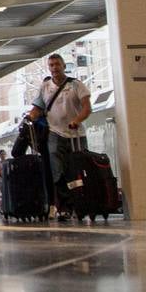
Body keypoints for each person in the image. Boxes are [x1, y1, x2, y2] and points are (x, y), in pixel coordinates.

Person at [26, 53, 92, 219]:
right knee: (57, 170)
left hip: (76, 134)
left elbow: (86, 108)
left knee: (77, 169)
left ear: (64, 66)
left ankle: (82, 204)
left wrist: (77, 120)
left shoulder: (76, 85)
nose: (54, 68)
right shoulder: (45, 87)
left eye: (57, 64)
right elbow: (37, 108)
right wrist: (30, 117)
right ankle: (65, 206)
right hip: (55, 133)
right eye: (51, 65)